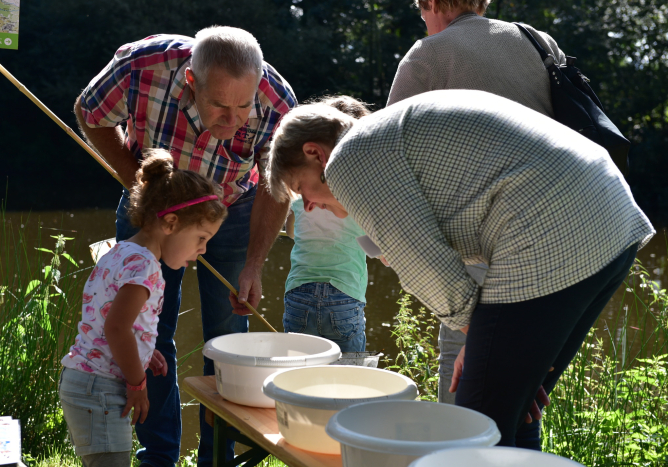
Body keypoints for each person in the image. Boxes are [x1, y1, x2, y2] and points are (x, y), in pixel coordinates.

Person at [265, 92, 655, 449]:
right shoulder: (384, 137)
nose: (309, 207)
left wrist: (481, 337)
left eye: (302, 189)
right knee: (513, 412)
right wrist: (488, 341)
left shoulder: (351, 158)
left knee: (475, 426)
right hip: (608, 221)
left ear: (316, 153)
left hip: (552, 230)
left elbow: (424, 265)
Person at [74, 26, 296, 467]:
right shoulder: (141, 66)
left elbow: (277, 185)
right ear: (192, 83)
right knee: (148, 334)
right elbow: (90, 112)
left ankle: (218, 457)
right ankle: (158, 457)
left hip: (233, 209)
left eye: (242, 107)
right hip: (156, 209)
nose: (232, 121)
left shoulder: (278, 103)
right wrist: (140, 189)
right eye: (219, 105)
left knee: (228, 338)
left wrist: (253, 265)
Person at [386, 0, 567, 407]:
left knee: (460, 365)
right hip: (553, 232)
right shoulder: (538, 41)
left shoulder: (428, 55)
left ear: (431, 4)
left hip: (483, 235)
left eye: (420, 9)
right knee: (523, 377)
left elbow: (384, 156)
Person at [59, 150, 226, 467]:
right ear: (171, 223)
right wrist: (137, 384)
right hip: (101, 389)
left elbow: (112, 318)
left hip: (86, 381)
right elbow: (116, 328)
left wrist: (145, 349)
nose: (202, 251)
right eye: (201, 238)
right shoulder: (145, 267)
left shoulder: (122, 251)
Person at [283, 96, 370, 352]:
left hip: (299, 291)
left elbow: (291, 231)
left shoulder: (303, 189)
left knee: (298, 375)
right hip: (345, 293)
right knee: (349, 376)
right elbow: (376, 246)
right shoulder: (360, 195)